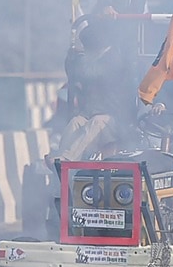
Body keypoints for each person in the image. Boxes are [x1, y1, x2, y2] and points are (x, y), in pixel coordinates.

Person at [57, 20, 146, 161]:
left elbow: (90, 73)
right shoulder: (94, 59)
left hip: (115, 119)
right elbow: (74, 74)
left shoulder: (114, 60)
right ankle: (59, 161)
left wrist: (79, 58)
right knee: (75, 122)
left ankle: (68, 160)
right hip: (93, 113)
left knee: (97, 122)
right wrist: (71, 58)